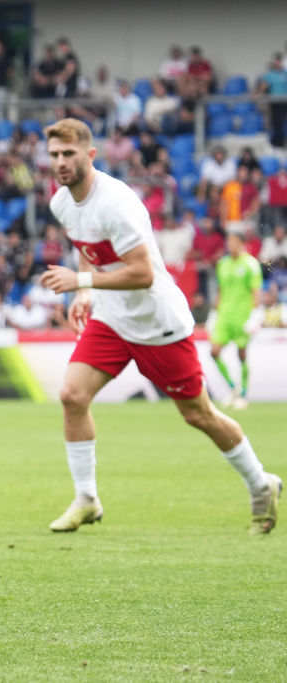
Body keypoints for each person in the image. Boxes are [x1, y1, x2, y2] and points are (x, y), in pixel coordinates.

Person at [39, 118, 280, 536]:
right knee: (72, 395)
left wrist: (80, 282)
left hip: (157, 324)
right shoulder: (62, 202)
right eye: (55, 155)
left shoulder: (116, 202)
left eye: (69, 154)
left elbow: (143, 274)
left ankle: (262, 484)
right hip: (112, 318)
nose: (61, 162)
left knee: (199, 415)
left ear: (90, 155)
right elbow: (86, 249)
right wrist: (84, 294)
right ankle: (87, 498)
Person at [211, 232, 264, 409]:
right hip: (224, 315)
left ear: (241, 243)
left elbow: (256, 292)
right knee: (214, 352)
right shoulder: (223, 264)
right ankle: (233, 388)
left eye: (233, 242)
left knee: (241, 354)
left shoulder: (251, 264)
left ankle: (243, 395)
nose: (230, 245)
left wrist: (255, 315)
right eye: (229, 241)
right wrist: (214, 312)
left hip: (242, 315)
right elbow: (220, 289)